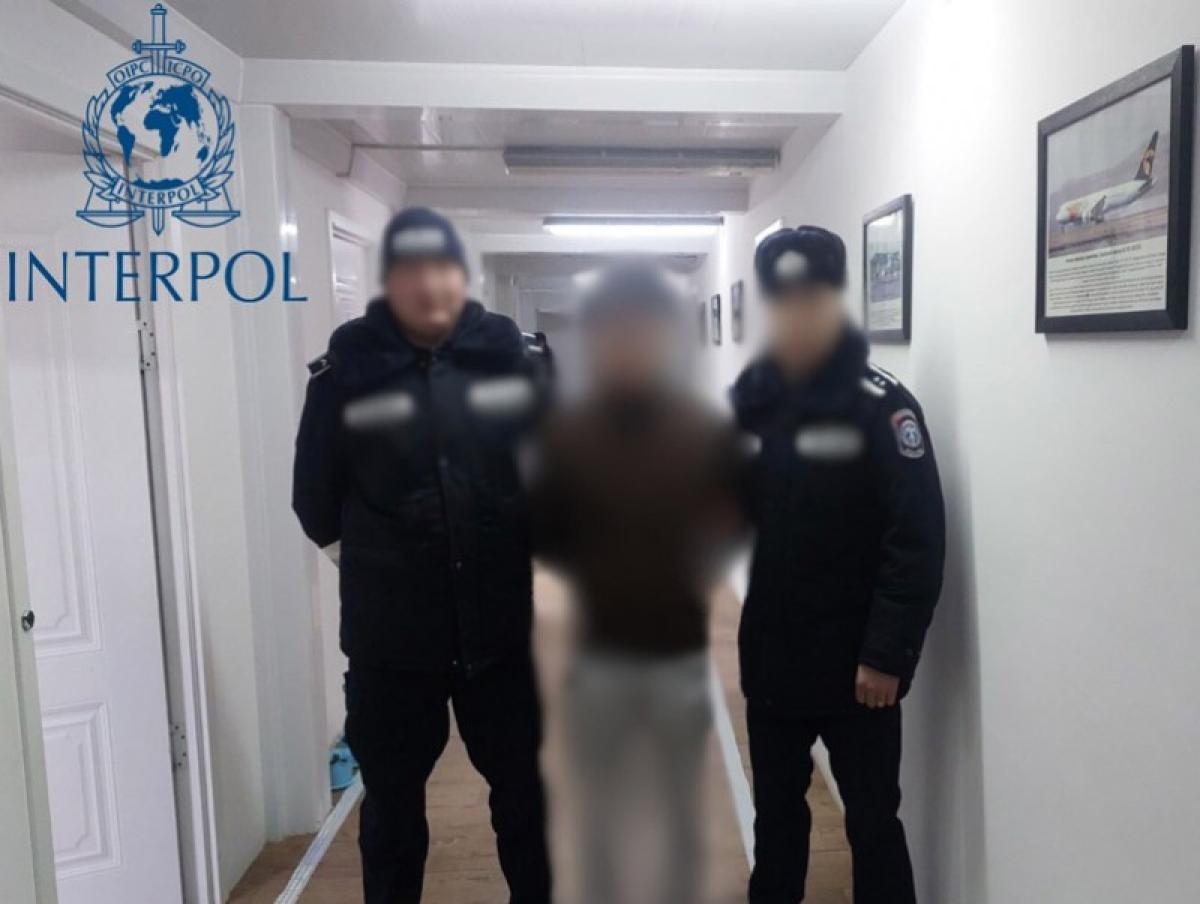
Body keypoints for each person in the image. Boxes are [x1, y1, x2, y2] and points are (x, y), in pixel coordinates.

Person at [292, 207, 551, 904]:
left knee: (523, 797)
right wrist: (382, 565)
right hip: (392, 646)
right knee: (392, 811)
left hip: (498, 634)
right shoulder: (347, 370)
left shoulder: (515, 360)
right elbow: (314, 498)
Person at [732, 226, 945, 904]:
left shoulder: (882, 405)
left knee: (873, 822)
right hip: (774, 658)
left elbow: (916, 539)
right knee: (776, 820)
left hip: (858, 669)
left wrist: (886, 655)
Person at [528, 263, 741, 904]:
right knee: (600, 813)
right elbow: (544, 531)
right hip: (597, 659)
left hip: (677, 655)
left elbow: (731, 520)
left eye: (642, 329)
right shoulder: (568, 435)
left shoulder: (701, 432)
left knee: (677, 810)